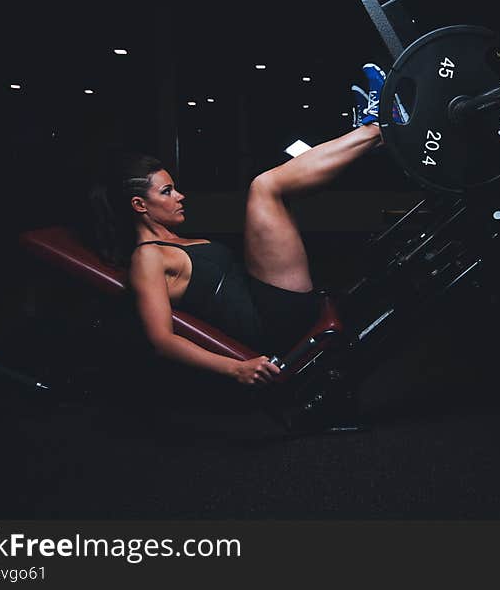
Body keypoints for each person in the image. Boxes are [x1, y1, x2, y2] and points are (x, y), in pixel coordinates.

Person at [87, 63, 393, 387]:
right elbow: (161, 340)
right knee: (265, 188)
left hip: (269, 303)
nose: (180, 196)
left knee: (276, 194)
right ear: (139, 205)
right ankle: (376, 128)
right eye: (167, 192)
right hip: (271, 323)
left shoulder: (172, 241)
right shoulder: (147, 258)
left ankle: (373, 135)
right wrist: (237, 368)